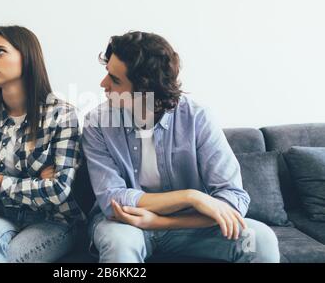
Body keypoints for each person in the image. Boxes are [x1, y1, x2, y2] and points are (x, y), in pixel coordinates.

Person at [82, 31, 280, 263]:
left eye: (115, 80)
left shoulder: (197, 118)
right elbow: (113, 200)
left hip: (188, 226)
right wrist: (191, 197)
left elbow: (233, 198)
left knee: (260, 239)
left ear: (145, 90)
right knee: (120, 244)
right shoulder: (98, 122)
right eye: (108, 73)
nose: (103, 84)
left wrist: (162, 222)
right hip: (125, 224)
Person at [0, 25, 84, 262]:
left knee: (10, 256)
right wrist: (34, 184)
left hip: (54, 221)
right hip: (0, 217)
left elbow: (58, 191)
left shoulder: (62, 115)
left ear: (26, 57)